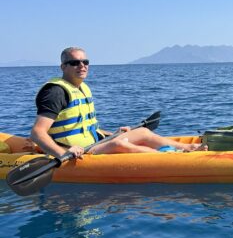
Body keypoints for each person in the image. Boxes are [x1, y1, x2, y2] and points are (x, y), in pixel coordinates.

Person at [31, 46, 206, 159]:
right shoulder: (55, 92)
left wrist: (109, 133)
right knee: (118, 144)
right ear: (63, 67)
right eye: (75, 62)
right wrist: (63, 153)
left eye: (85, 62)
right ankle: (173, 159)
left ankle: (189, 148)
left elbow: (85, 126)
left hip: (95, 142)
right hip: (78, 151)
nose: (82, 66)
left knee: (142, 131)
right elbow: (38, 133)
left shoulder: (82, 88)